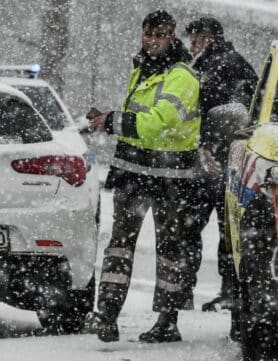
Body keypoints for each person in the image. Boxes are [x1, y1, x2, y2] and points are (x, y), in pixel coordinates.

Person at [84, 10, 201, 343]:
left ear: (172, 36)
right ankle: (107, 313)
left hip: (170, 178)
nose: (153, 40)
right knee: (119, 246)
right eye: (148, 34)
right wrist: (111, 121)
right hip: (134, 173)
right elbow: (141, 120)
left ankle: (168, 320)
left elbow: (156, 124)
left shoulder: (183, 76)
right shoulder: (141, 68)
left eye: (160, 35)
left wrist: (112, 121)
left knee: (169, 250)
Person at [185, 17, 258, 311]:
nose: (191, 44)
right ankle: (207, 290)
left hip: (220, 163)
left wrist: (213, 145)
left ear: (210, 39)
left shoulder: (226, 65)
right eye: (190, 39)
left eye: (196, 38)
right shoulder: (200, 66)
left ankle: (227, 291)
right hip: (207, 162)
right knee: (206, 229)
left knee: (223, 230)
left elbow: (238, 113)